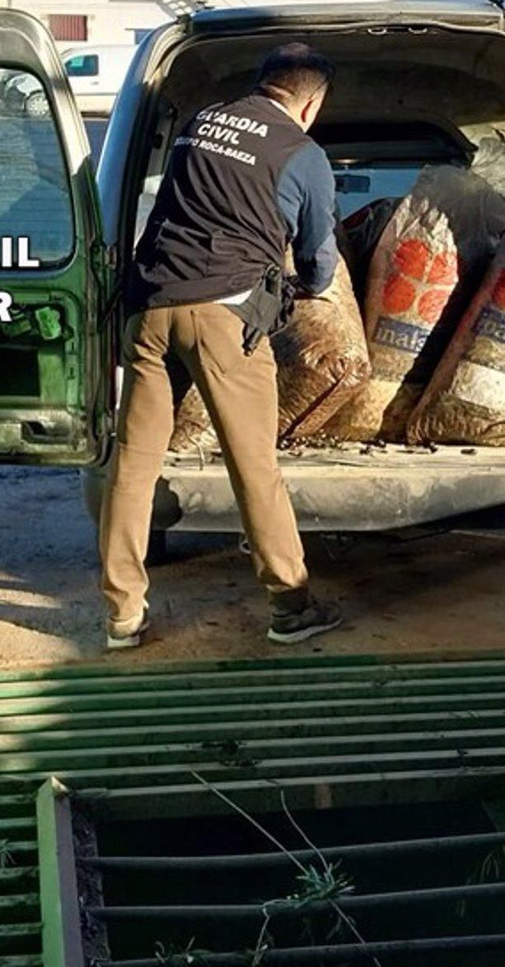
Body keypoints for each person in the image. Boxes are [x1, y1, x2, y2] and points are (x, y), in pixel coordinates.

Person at [99, 43, 343, 650]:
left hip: (150, 306)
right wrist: (308, 289)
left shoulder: (199, 123)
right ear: (311, 102)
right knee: (254, 467)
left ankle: (122, 615)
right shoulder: (302, 153)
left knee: (133, 463)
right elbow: (317, 256)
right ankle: (289, 606)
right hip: (224, 316)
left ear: (261, 86)